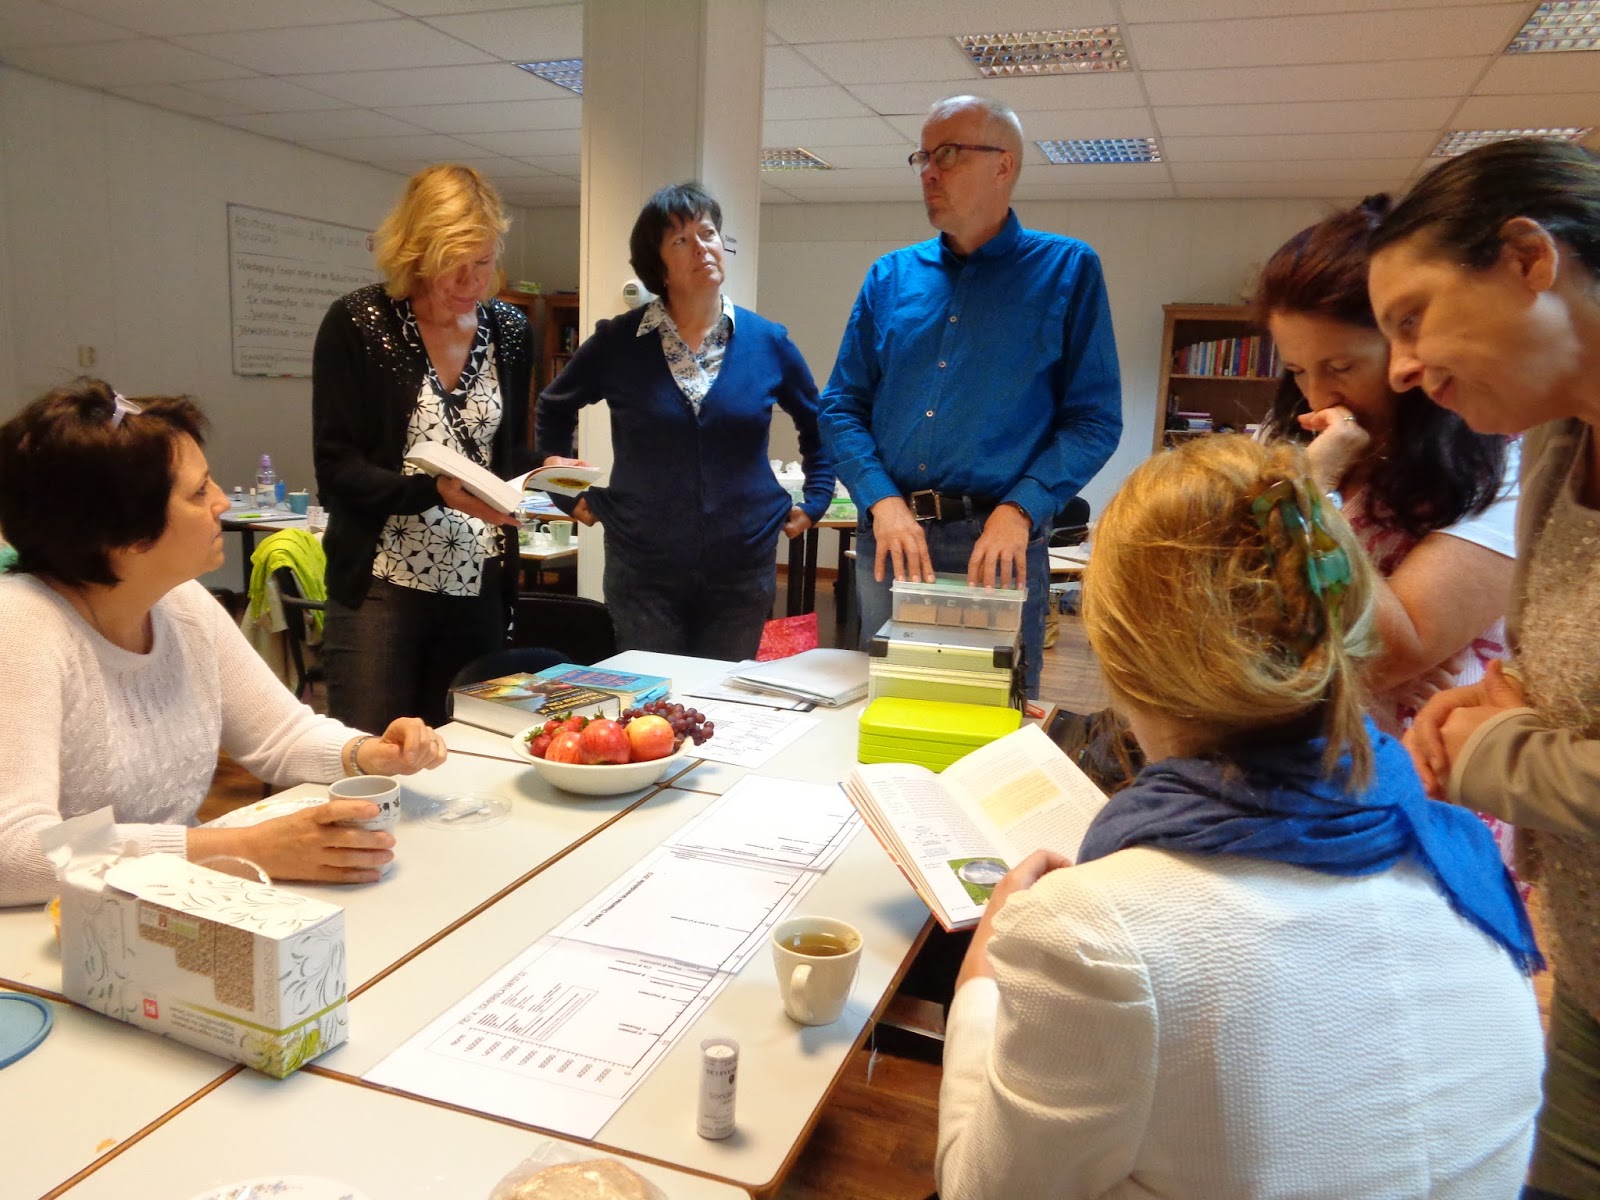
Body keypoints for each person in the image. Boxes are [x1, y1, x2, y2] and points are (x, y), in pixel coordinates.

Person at [936, 434, 1545, 1199]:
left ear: (1122, 656)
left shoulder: (1094, 937)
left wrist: (982, 984)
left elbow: (979, 1189)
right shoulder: (1466, 867)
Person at [1369, 137, 1600, 1200]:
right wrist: (1498, 710)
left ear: (1526, 259)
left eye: (1411, 318)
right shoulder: (1556, 441)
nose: (1400, 369)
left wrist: (1499, 747)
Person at [0, 380, 448, 909]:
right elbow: (14, 852)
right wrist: (241, 848)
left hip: (158, 909)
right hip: (48, 928)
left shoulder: (179, 602)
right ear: (123, 532)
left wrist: (367, 753)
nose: (221, 503)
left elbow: (280, 734)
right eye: (198, 492)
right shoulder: (21, 626)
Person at [820, 94, 1122, 696]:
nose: (929, 172)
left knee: (992, 713)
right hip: (893, 538)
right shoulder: (890, 277)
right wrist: (881, 502)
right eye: (923, 157)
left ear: (1004, 165)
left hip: (998, 543)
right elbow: (841, 406)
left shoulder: (1067, 271)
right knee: (893, 706)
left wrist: (1021, 509)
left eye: (949, 154)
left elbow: (1094, 420)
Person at [536, 181, 835, 660]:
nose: (701, 247)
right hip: (643, 567)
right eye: (681, 240)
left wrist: (817, 497)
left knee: (721, 695)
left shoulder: (768, 342)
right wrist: (564, 492)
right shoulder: (618, 342)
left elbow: (818, 425)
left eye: (708, 233)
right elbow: (553, 408)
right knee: (656, 694)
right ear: (658, 267)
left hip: (743, 564)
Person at [1253, 200, 1517, 735]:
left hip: (1419, 760)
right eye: (1297, 370)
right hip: (1289, 742)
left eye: (1342, 366)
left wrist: (1308, 491)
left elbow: (1391, 651)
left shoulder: (1504, 459)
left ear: (1407, 350)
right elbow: (1219, 594)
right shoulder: (1283, 435)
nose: (1318, 396)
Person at [313, 163, 534, 730]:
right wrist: (432, 491)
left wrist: (548, 471)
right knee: (374, 750)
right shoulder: (360, 323)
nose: (470, 281)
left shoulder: (509, 331)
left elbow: (507, 455)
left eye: (482, 262)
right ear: (414, 254)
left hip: (479, 580)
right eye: (451, 264)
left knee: (467, 750)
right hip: (383, 583)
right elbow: (337, 469)